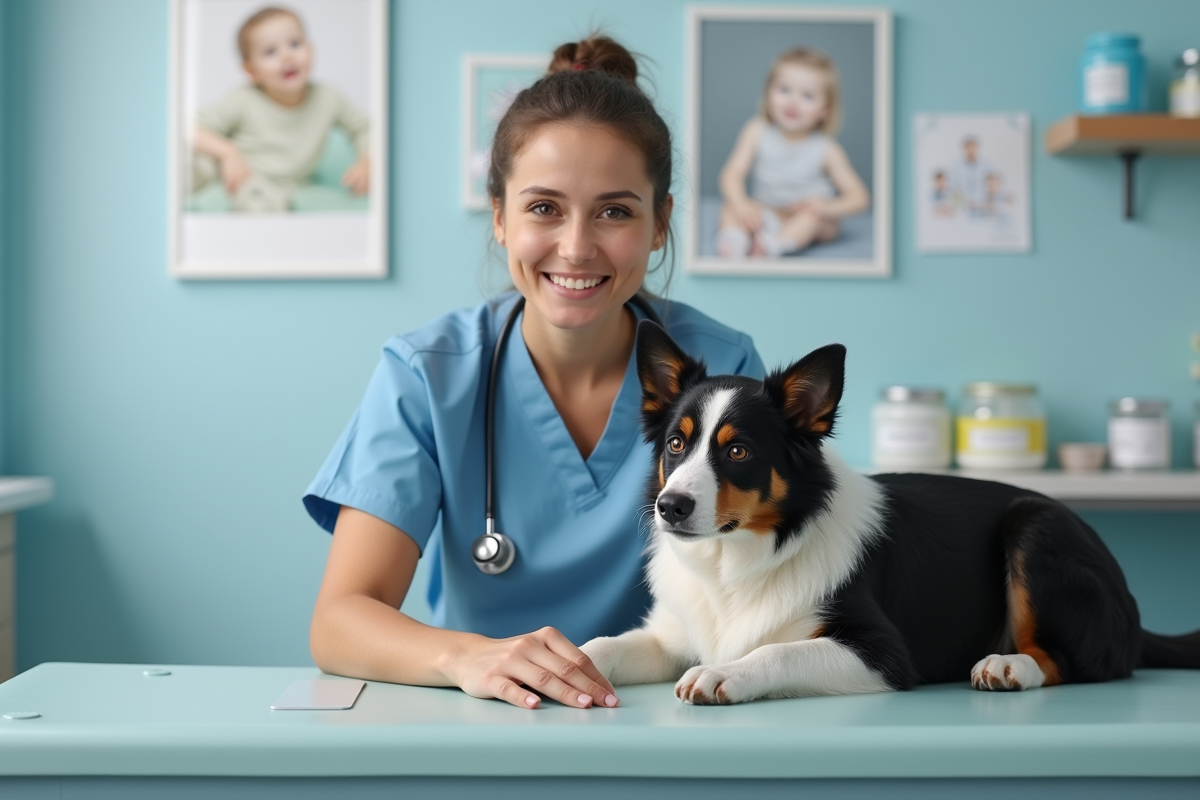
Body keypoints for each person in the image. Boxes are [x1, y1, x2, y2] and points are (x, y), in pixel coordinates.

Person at [303, 36, 765, 710]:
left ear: (661, 222)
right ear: (498, 216)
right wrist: (470, 656)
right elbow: (341, 620)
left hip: (669, 722)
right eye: (544, 208)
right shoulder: (426, 376)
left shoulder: (725, 370)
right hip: (484, 724)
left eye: (615, 211)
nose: (576, 248)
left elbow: (766, 597)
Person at [191, 6, 370, 212]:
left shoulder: (328, 97)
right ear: (251, 71)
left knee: (280, 203)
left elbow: (365, 128)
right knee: (195, 164)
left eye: (295, 44)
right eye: (270, 52)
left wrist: (367, 160)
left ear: (311, 51)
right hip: (243, 178)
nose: (287, 56)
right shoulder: (242, 99)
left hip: (292, 187)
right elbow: (188, 130)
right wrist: (228, 153)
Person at [716, 48, 870, 258]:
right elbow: (731, 174)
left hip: (810, 218)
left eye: (807, 96)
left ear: (825, 109)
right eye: (784, 90)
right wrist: (742, 204)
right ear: (768, 93)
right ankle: (734, 243)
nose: (792, 102)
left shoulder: (826, 148)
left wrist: (826, 208)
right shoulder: (756, 130)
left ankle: (770, 247)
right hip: (768, 212)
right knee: (730, 206)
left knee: (814, 219)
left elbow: (859, 198)